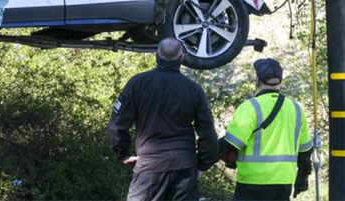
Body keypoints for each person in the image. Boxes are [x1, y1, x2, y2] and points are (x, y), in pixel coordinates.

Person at [106, 38, 218, 201]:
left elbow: (115, 126)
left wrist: (123, 154)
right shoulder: (193, 89)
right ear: (181, 58)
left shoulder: (137, 83)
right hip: (184, 168)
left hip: (149, 167)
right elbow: (207, 132)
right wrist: (202, 164)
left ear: (156, 56)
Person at [219, 58, 313, 201]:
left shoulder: (250, 107)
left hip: (252, 182)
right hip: (283, 182)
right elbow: (305, 151)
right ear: (280, 81)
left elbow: (231, 144)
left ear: (257, 80)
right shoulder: (296, 109)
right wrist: (302, 178)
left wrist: (206, 158)